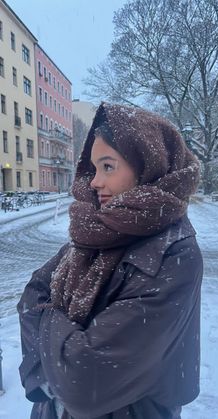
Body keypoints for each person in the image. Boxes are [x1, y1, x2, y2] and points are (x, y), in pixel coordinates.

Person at [17, 102, 203, 419]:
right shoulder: (95, 232)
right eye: (93, 168)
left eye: (108, 166)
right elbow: (31, 294)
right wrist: (57, 369)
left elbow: (85, 378)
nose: (94, 182)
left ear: (148, 166)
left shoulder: (174, 254)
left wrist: (49, 318)